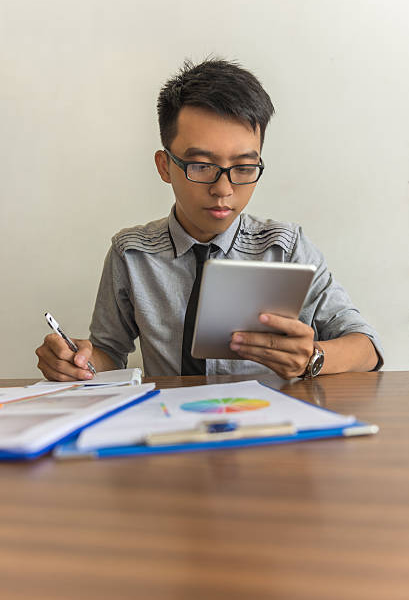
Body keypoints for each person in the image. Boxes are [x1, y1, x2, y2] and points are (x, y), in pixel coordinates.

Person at [36, 58, 383, 381]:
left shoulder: (286, 248)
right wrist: (77, 360)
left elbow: (367, 348)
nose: (223, 189)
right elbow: (109, 354)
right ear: (165, 166)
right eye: (201, 166)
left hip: (270, 429)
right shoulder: (131, 255)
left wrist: (314, 358)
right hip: (171, 430)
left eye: (244, 168)